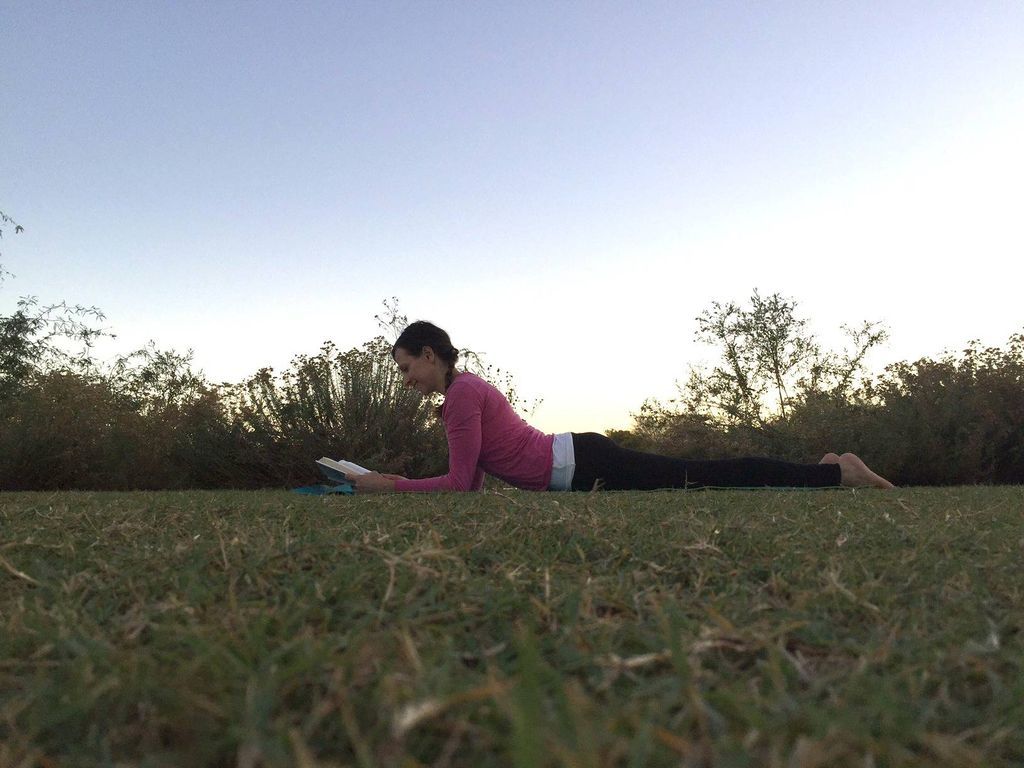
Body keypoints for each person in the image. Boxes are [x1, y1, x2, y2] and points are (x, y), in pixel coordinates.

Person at [350, 321, 895, 493]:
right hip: (579, 462)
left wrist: (386, 483)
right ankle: (826, 468)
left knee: (704, 477)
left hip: (585, 464)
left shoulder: (463, 394)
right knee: (700, 477)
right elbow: (467, 487)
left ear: (429, 355)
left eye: (405, 368)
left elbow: (456, 483)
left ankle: (837, 474)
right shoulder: (461, 395)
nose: (404, 381)